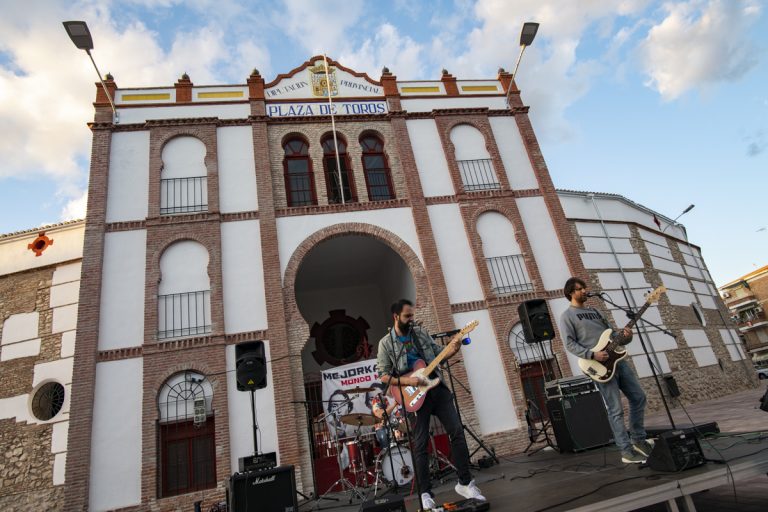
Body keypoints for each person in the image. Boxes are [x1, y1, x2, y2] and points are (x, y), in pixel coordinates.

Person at [376, 299, 484, 508]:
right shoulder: (386, 344)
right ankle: (425, 493)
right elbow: (384, 376)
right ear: (396, 317)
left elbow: (437, 354)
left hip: (437, 389)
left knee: (457, 432)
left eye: (412, 315)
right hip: (414, 397)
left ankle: (465, 482)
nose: (411, 319)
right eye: (407, 316)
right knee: (420, 444)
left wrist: (453, 348)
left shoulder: (420, 333)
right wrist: (409, 381)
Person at [559, 277, 653, 464]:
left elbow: (614, 337)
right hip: (599, 366)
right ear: (571, 292)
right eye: (580, 288)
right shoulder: (567, 316)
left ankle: (639, 440)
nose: (585, 290)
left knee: (639, 397)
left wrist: (626, 336)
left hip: (618, 361)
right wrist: (592, 355)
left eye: (585, 287)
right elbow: (569, 343)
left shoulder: (596, 312)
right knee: (616, 410)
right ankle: (626, 451)